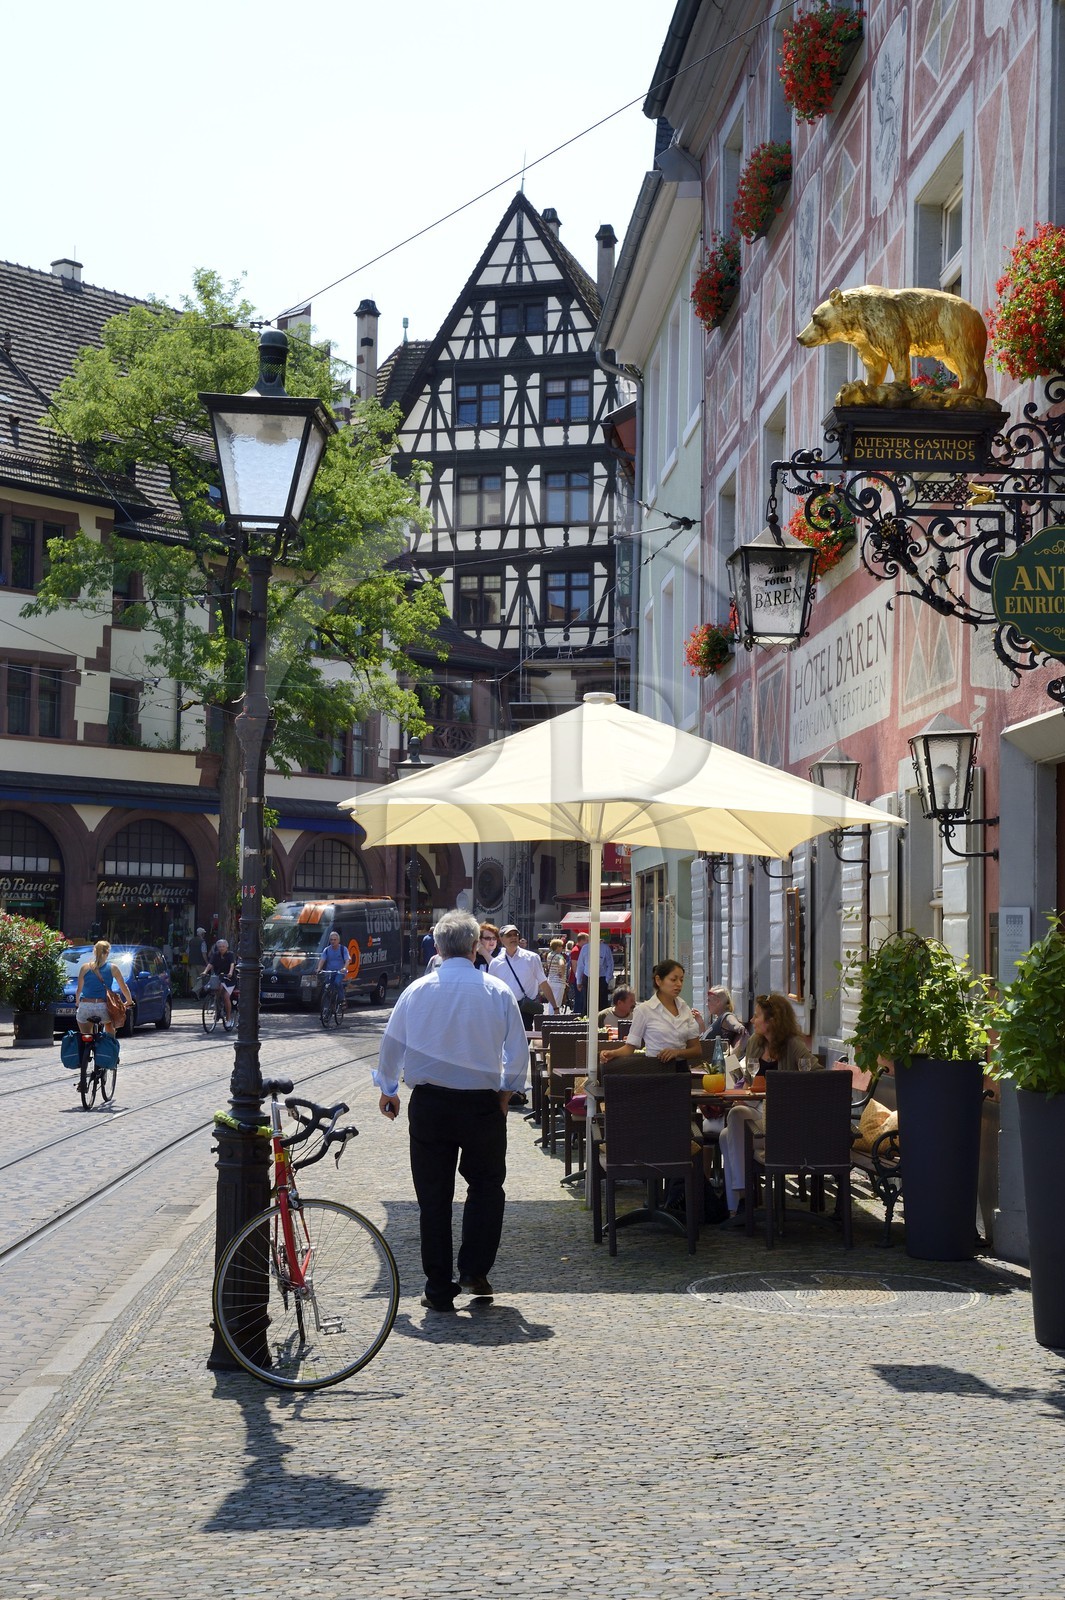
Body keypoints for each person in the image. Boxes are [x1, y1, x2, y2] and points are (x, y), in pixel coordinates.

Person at [375, 910, 529, 1312]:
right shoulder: (497, 991)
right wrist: (507, 1092)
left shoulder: (417, 991)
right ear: (476, 944)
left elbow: (391, 1044)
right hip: (481, 1105)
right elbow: (518, 1050)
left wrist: (388, 1089)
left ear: (438, 947)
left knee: (434, 1197)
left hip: (430, 1105)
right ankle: (475, 1270)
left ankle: (439, 1286)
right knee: (486, 1187)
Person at [718, 992, 819, 1222]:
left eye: (757, 1016)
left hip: (784, 1120)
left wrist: (793, 1089)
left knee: (727, 1135)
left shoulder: (793, 1045)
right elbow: (746, 1079)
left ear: (772, 1020)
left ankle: (742, 1203)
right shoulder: (755, 1042)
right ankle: (740, 1204)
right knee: (732, 1121)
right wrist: (732, 1073)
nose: (752, 1021)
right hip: (758, 1111)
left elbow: (817, 1073)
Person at [598, 960, 702, 1067]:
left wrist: (677, 1052)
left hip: (682, 1070)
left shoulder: (684, 1008)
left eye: (681, 980)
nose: (679, 984)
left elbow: (696, 1050)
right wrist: (612, 1053)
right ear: (658, 980)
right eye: (673, 979)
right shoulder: (644, 1010)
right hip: (655, 1068)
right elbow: (630, 1047)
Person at [488, 924, 555, 1026]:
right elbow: (491, 990)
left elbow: (543, 983)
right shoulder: (495, 963)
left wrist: (555, 1007)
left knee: (525, 1041)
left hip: (526, 1009)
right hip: (504, 1009)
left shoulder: (532, 958)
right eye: (509, 935)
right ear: (501, 939)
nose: (513, 937)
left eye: (515, 934)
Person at [75, 939, 133, 1039]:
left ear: (94, 951)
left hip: (85, 1007)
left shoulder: (84, 968)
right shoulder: (113, 968)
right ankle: (108, 1047)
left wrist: (77, 1002)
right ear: (107, 952)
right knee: (110, 1028)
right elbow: (123, 987)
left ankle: (85, 1047)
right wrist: (129, 1001)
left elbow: (79, 990)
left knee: (86, 1035)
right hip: (103, 1008)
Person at [700, 985, 749, 1058]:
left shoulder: (726, 1016)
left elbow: (733, 1022)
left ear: (718, 1002)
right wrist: (700, 1022)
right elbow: (705, 1041)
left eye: (709, 1000)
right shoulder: (718, 1020)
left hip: (714, 1065)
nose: (707, 1004)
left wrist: (739, 1027)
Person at [575, 929, 614, 1017]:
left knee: (602, 1004)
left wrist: (607, 980)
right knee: (587, 1003)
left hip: (601, 978)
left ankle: (601, 1024)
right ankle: (586, 1024)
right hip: (587, 977)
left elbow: (610, 964)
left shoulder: (605, 948)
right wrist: (579, 981)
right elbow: (580, 965)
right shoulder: (585, 948)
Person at [204, 935, 237, 1023]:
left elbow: (232, 964)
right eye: (219, 947)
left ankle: (229, 1018)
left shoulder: (230, 954)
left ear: (226, 947)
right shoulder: (215, 955)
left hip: (229, 978)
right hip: (219, 977)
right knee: (216, 989)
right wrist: (205, 971)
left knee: (226, 996)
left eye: (223, 947)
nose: (221, 948)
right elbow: (210, 964)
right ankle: (216, 1005)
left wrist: (230, 972)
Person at [316, 929, 348, 1003]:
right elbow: (322, 960)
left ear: (338, 940)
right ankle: (327, 1005)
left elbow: (347, 960)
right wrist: (319, 969)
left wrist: (344, 968)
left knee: (337, 982)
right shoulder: (326, 950)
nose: (333, 941)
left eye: (334, 940)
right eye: (331, 940)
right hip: (329, 972)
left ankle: (342, 999)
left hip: (340, 972)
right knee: (327, 985)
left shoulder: (343, 949)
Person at [543, 937, 568, 1012]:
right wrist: (562, 974)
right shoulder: (559, 956)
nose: (562, 948)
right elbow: (562, 964)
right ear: (557, 947)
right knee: (556, 1004)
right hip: (558, 982)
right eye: (561, 946)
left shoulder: (549, 955)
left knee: (551, 1002)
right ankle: (552, 1018)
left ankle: (550, 1017)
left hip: (550, 980)